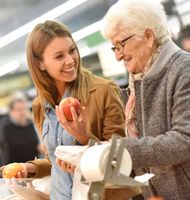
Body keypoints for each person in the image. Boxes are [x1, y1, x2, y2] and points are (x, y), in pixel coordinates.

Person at [5, 20, 126, 200]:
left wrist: (84, 137)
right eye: (59, 56)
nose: (70, 60)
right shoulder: (40, 105)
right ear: (40, 64)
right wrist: (33, 168)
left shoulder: (103, 91)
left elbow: (121, 160)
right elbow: (56, 160)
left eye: (72, 50)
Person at [100, 0, 190, 199]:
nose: (118, 56)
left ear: (148, 36)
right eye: (114, 47)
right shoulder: (139, 82)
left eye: (121, 44)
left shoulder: (184, 70)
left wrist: (123, 149)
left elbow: (185, 139)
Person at [0, 96, 41, 166]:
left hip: (32, 167)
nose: (23, 112)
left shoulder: (29, 123)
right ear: (11, 111)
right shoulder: (5, 127)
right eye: (19, 109)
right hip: (13, 169)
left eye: (24, 108)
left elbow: (35, 143)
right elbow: (16, 147)